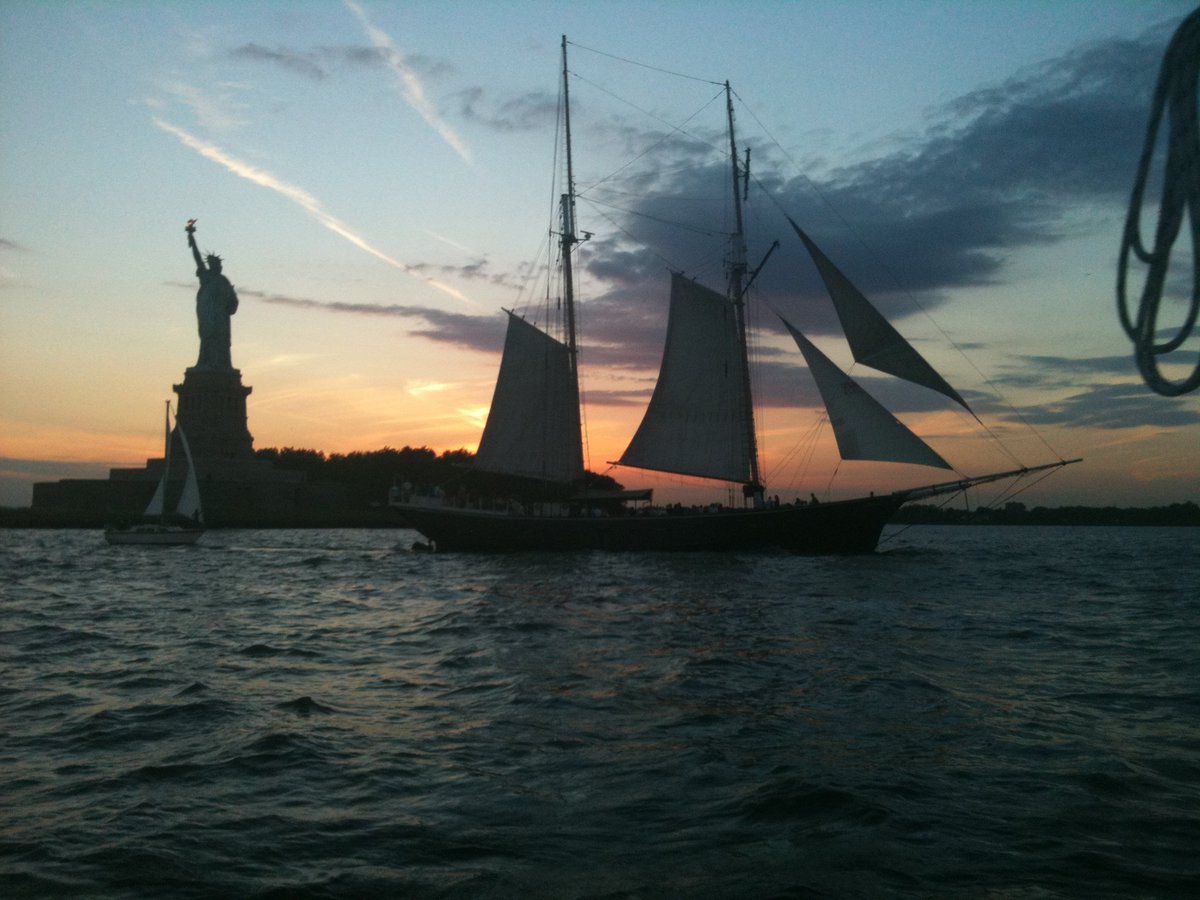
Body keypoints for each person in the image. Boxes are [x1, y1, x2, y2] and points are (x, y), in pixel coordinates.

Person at [186, 220, 239, 370]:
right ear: (212, 265)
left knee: (221, 340)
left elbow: (232, 301)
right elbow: (197, 257)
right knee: (208, 338)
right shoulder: (206, 276)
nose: (218, 266)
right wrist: (191, 237)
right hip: (208, 314)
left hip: (221, 317)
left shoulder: (223, 281)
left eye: (219, 264)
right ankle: (205, 363)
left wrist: (231, 302)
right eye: (215, 264)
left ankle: (221, 365)